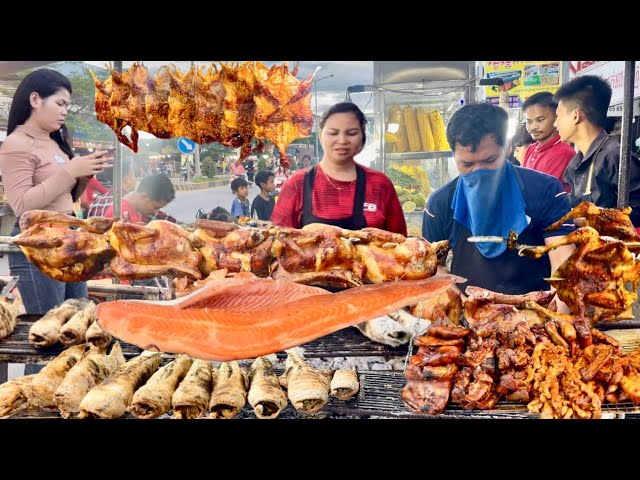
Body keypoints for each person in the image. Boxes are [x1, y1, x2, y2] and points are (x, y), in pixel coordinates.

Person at [422, 102, 575, 296]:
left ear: (508, 147)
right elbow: (436, 269)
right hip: (467, 318)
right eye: (467, 164)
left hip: (535, 315)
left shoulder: (546, 190)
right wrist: (464, 307)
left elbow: (563, 262)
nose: (478, 171)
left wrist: (557, 319)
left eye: (489, 160)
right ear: (454, 155)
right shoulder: (439, 204)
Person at [0, 68, 113, 315]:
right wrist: (70, 171)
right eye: (60, 103)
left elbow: (66, 199)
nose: (64, 111)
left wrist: (83, 175)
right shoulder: (16, 144)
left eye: (67, 105)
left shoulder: (54, 142)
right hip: (38, 243)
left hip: (70, 236)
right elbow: (22, 206)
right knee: (50, 323)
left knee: (78, 316)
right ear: (35, 99)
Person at [271, 102, 407, 235]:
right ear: (320, 136)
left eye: (352, 133)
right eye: (333, 133)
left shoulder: (380, 184)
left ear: (362, 137)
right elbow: (277, 244)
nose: (342, 140)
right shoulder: (297, 184)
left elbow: (401, 246)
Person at [554, 75, 640, 227]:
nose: (555, 124)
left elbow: (638, 210)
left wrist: (594, 218)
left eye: (558, 116)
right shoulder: (575, 165)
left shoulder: (615, 156)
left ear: (575, 116)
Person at [521, 92, 576, 192]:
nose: (533, 127)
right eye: (529, 122)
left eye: (540, 120)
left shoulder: (563, 152)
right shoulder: (531, 148)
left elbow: (540, 192)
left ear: (556, 117)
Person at [102, 173, 176, 223]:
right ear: (144, 196)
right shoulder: (121, 214)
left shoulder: (136, 209)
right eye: (156, 207)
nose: (156, 212)